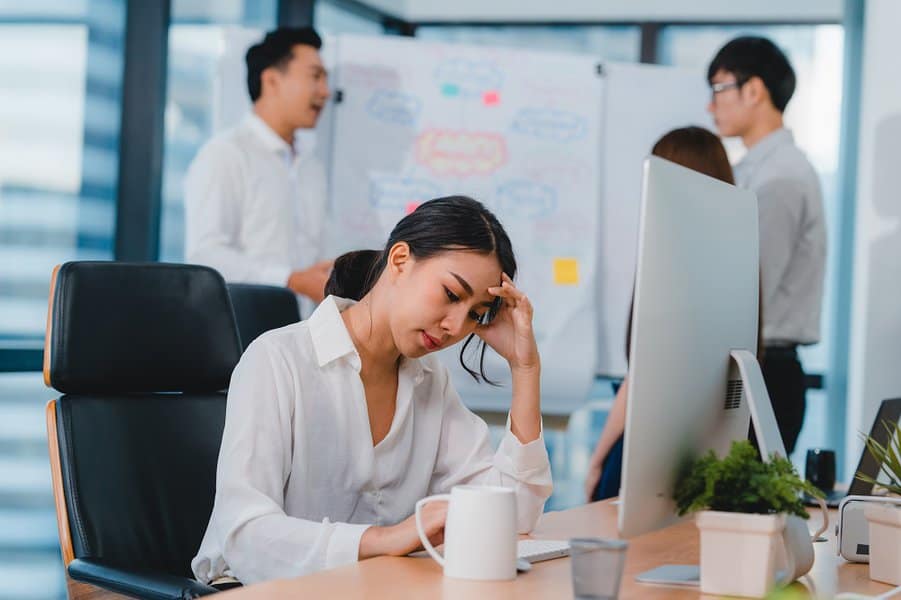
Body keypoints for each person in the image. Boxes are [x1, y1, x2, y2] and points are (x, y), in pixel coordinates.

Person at [192, 196, 553, 587]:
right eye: (451, 294)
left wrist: (525, 368)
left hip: (370, 588)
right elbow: (246, 536)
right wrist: (388, 538)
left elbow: (512, 518)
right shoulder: (278, 360)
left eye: (474, 314)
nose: (454, 325)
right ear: (399, 260)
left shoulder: (430, 380)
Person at [584, 126, 737, 502]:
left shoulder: (672, 259)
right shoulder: (736, 256)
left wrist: (596, 460)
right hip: (705, 448)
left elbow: (643, 373)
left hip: (647, 448)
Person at [707, 36, 826, 454]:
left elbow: (751, 292)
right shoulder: (760, 170)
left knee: (736, 518)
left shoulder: (780, 177)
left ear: (754, 90)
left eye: (719, 89)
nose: (711, 105)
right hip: (759, 366)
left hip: (766, 373)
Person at [184, 27, 334, 316]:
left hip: (304, 333)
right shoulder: (225, 154)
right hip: (242, 334)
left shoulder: (311, 166)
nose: (325, 92)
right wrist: (291, 279)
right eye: (315, 76)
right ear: (272, 80)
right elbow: (205, 257)